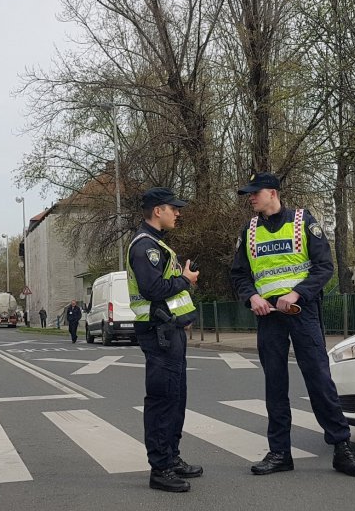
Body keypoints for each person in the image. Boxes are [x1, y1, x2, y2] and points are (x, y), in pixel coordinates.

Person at [230, 172, 355, 478]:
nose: (251, 197)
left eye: (255, 192)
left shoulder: (303, 221)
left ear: (273, 193)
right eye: (249, 193)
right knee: (275, 385)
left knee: (319, 379)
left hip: (300, 311)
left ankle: (342, 449)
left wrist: (297, 293)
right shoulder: (250, 230)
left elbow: (324, 267)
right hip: (268, 316)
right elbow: (238, 273)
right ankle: (280, 452)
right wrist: (251, 297)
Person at [127, 187, 201, 493]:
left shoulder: (157, 244)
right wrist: (185, 279)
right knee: (162, 399)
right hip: (158, 333)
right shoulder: (145, 247)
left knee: (176, 397)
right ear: (158, 210)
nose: (178, 213)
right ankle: (160, 469)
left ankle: (171, 457)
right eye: (174, 208)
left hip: (169, 331)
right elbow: (153, 290)